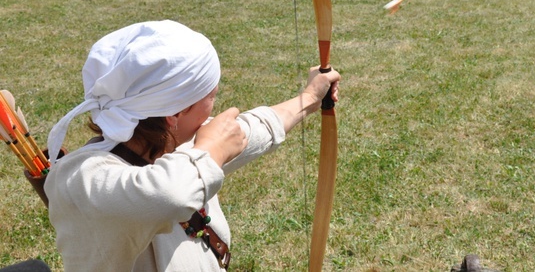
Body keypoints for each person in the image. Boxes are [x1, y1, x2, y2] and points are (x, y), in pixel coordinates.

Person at [44, 20, 340, 272]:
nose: (215, 104)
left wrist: (310, 97)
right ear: (175, 114)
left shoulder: (178, 146)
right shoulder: (81, 179)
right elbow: (168, 193)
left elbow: (252, 129)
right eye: (210, 95)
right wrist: (212, 148)